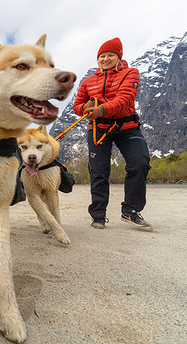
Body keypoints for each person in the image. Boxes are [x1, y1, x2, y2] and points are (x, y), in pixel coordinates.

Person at [73, 37, 151, 229]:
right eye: (102, 56)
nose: (105, 59)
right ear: (98, 58)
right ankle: (98, 215)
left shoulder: (131, 73)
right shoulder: (87, 82)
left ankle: (131, 211)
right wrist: (86, 107)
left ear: (119, 57)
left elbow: (125, 99)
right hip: (98, 130)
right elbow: (77, 107)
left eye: (110, 55)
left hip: (127, 128)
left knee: (140, 163)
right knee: (98, 172)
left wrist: (101, 110)